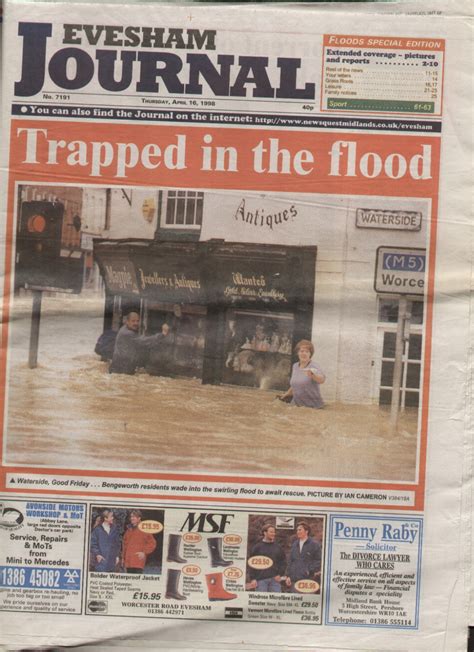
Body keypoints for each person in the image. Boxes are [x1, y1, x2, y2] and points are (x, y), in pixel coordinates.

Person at [278, 340, 325, 408]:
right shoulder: (295, 366)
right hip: (296, 405)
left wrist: (313, 375)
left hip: (313, 407)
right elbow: (296, 384)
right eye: (302, 351)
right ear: (298, 353)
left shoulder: (314, 366)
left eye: (307, 351)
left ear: (310, 354)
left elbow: (322, 380)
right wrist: (286, 394)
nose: (304, 353)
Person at [247, 524, 286, 593]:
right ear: (265, 533)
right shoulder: (257, 547)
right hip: (261, 581)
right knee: (260, 602)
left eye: (274, 532)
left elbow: (283, 562)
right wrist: (253, 579)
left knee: (276, 601)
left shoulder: (278, 547)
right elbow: (251, 565)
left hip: (275, 581)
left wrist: (280, 574)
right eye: (271, 532)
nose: (273, 534)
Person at [285, 521, 321, 592]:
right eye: (297, 530)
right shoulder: (295, 545)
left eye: (300, 529)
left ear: (306, 531)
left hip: (308, 581)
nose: (298, 532)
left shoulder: (314, 545)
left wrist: (308, 570)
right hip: (294, 581)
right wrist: (288, 576)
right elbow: (290, 561)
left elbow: (319, 560)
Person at [122, 510, 157, 574]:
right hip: (128, 562)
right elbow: (124, 545)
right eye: (131, 516)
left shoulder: (144, 529)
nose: (132, 518)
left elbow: (152, 543)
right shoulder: (128, 530)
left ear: (139, 518)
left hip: (138, 562)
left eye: (134, 517)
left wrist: (144, 552)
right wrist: (123, 559)